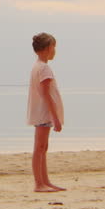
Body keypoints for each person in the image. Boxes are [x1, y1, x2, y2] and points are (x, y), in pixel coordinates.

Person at [27, 32, 65, 193]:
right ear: (48, 48)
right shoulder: (43, 68)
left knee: (43, 147)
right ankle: (39, 183)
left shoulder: (39, 66)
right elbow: (46, 94)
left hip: (42, 112)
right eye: (54, 47)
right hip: (43, 113)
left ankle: (45, 181)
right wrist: (55, 117)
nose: (55, 51)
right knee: (40, 147)